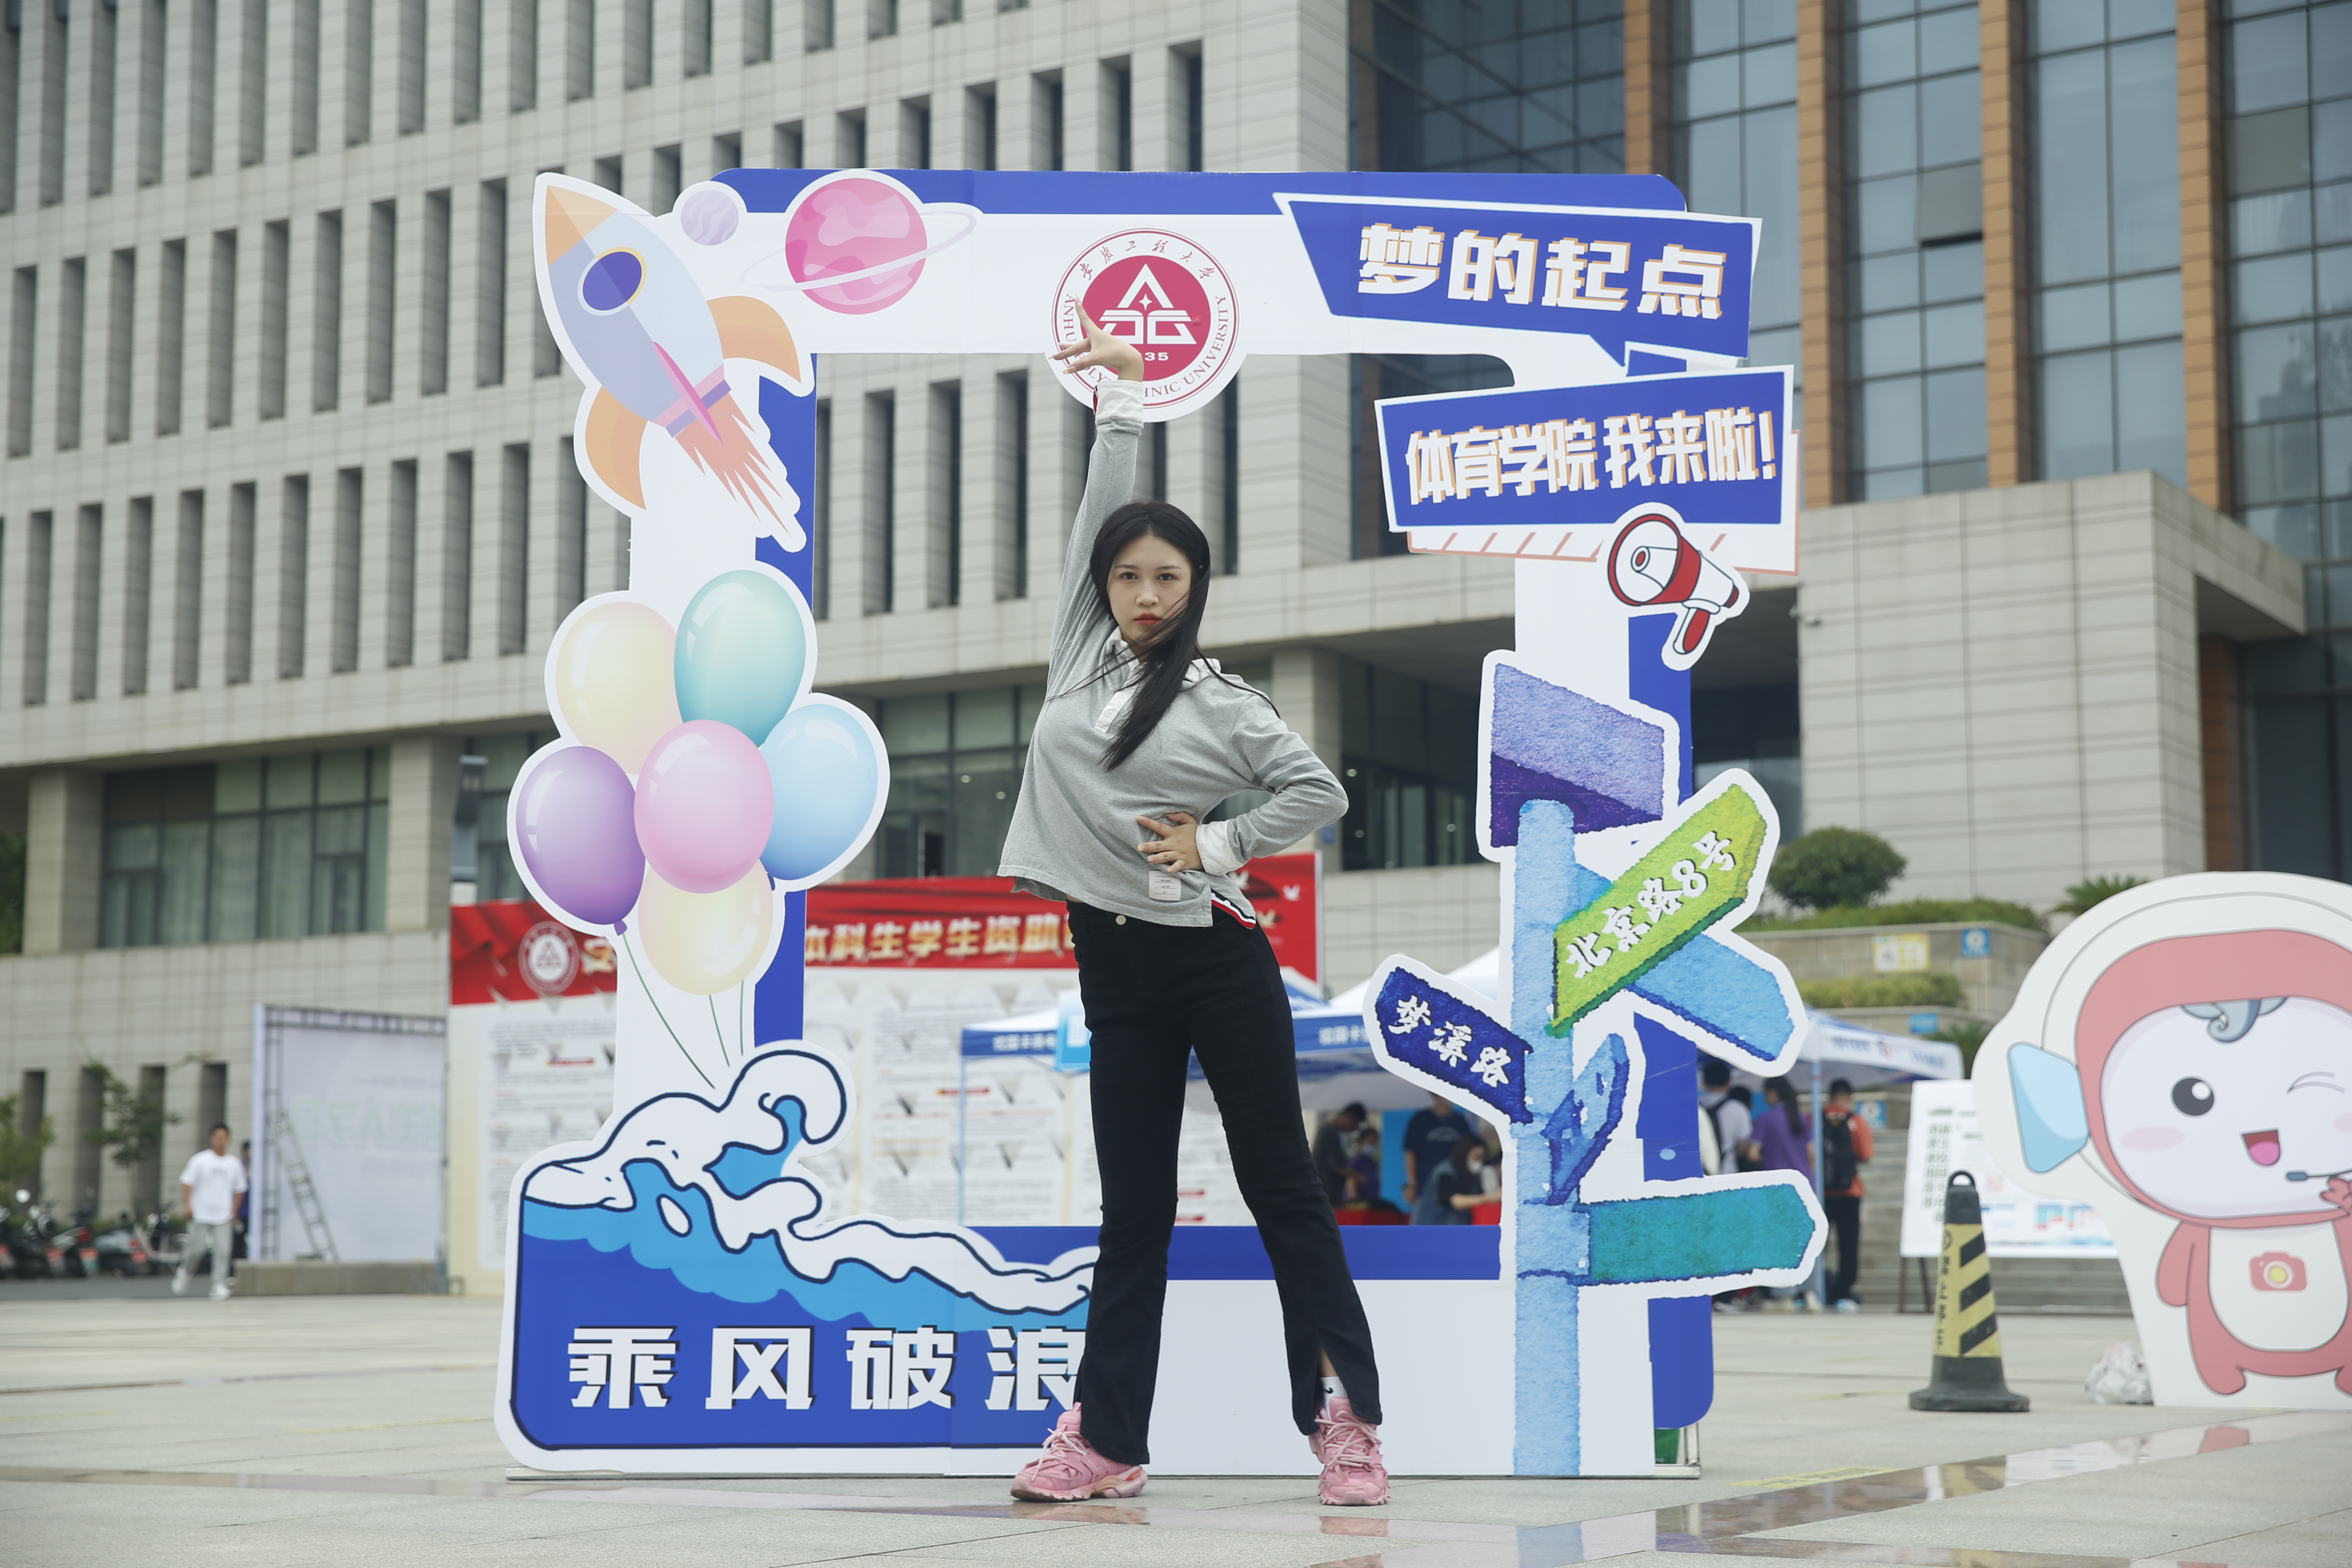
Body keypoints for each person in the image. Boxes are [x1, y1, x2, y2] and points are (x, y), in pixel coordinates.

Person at [995, 312, 1387, 1507]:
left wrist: (1216, 841)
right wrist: (1123, 395)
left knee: (1283, 1190)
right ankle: (1108, 1439)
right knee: (1135, 1212)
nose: (1145, 592)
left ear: (1196, 587)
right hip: (1114, 967)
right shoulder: (1078, 653)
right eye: (1129, 575)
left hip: (1214, 957)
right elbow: (1101, 503)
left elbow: (1317, 790)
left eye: (1167, 576)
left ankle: (1346, 1421)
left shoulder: (1224, 703)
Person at [1751, 1077, 1816, 1310]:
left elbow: (1753, 1153)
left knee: (1780, 1241)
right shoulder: (1801, 1117)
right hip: (1804, 1186)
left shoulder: (1766, 1119)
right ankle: (1810, 1294)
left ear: (1772, 1093)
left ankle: (1785, 1296)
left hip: (1777, 1188)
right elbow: (1811, 1154)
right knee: (1806, 1241)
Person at [175, 1124, 247, 1301]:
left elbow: (240, 1189)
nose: (221, 1141)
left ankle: (218, 1285)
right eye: (218, 1137)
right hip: (200, 1213)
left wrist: (234, 1209)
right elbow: (187, 1182)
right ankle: (185, 1271)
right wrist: (188, 1205)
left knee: (222, 1251)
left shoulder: (234, 1164)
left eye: (224, 1138)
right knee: (197, 1249)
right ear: (212, 1139)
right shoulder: (200, 1160)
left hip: (223, 1214)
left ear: (229, 1140)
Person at [1820, 1078, 1875, 1311]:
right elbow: (1866, 1154)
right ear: (1849, 1097)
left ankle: (1817, 1287)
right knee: (1849, 1244)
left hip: (1821, 1193)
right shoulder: (1856, 1121)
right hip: (1850, 1192)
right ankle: (1844, 1290)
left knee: (1818, 1244)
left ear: (1829, 1094)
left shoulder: (1815, 1118)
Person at [1403, 1094, 1474, 1220]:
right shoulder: (1421, 1119)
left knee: (1455, 1225)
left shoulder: (1460, 1121)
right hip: (1426, 1186)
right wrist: (1412, 1185)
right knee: (1425, 1225)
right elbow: (1410, 1152)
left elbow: (1470, 1150)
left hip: (1455, 1186)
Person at [1699, 1059, 1754, 1175]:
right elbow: (1742, 1147)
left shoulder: (1695, 1107)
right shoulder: (1738, 1108)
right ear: (1729, 1083)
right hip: (1728, 1172)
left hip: (1701, 1171)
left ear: (1705, 1082)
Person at [1314, 1104, 1369, 1207]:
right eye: (1355, 1126)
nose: (1353, 1130)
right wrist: (1357, 1176)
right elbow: (1338, 1167)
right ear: (1348, 1118)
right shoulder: (1330, 1133)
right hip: (1328, 1192)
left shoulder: (1329, 1132)